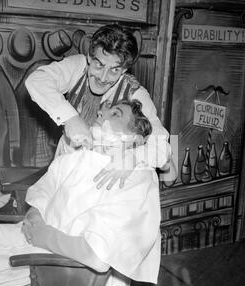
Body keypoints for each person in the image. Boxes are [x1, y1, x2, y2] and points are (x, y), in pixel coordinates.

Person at [0, 100, 161, 286]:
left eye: (115, 114)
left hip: (59, 273)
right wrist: (35, 216)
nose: (101, 114)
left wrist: (44, 235)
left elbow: (97, 256)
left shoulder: (137, 178)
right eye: (102, 110)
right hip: (30, 236)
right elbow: (43, 191)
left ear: (133, 138)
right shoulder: (76, 157)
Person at [25, 24, 171, 190]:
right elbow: (36, 80)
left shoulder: (135, 93)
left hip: (103, 184)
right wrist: (70, 118)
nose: (102, 77)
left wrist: (131, 158)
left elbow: (162, 148)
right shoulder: (78, 67)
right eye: (99, 65)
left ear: (124, 70)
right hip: (66, 171)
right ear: (89, 57)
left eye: (114, 70)